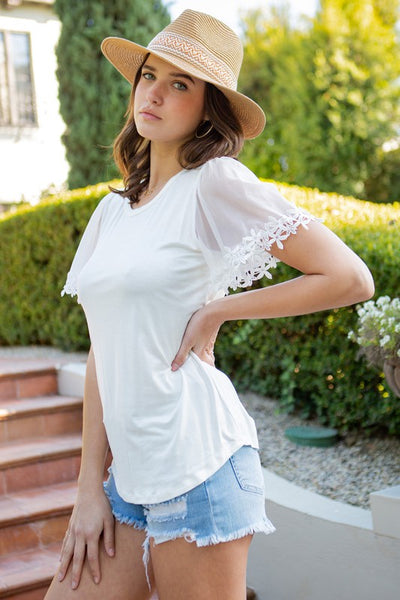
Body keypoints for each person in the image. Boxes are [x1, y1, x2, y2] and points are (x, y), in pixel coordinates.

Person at [44, 9, 374, 600]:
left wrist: (219, 310)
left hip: (199, 469)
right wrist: (89, 488)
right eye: (149, 75)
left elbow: (349, 277)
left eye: (180, 84)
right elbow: (103, 350)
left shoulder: (215, 182)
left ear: (207, 109)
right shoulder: (111, 212)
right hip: (128, 482)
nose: (154, 93)